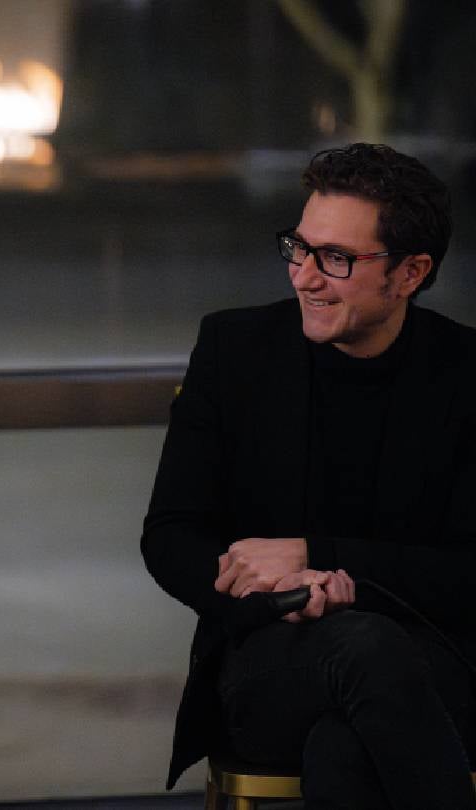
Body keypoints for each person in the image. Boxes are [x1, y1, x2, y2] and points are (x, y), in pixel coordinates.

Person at [142, 143, 476, 808]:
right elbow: (171, 536)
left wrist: (320, 556)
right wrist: (276, 590)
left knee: (344, 751)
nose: (304, 277)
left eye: (336, 258)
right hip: (271, 660)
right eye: (299, 248)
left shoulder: (465, 373)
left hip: (435, 664)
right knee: (364, 652)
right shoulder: (235, 350)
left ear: (410, 273)